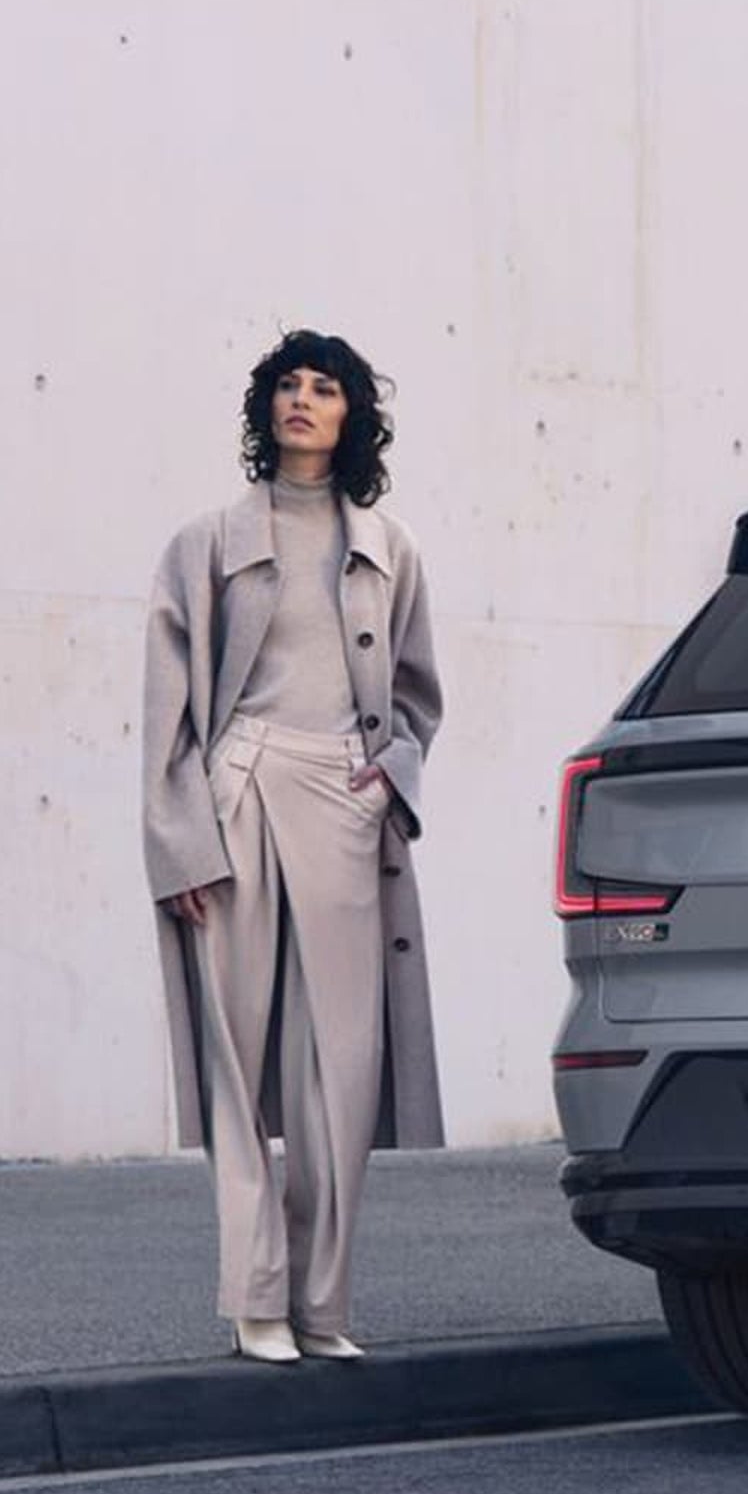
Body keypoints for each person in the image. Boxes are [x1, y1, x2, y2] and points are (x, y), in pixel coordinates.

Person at [140, 330, 445, 1362]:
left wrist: (385, 780)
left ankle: (323, 1305)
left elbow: (416, 698)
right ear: (264, 408)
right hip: (237, 787)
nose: (303, 401)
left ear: (354, 413)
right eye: (288, 386)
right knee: (237, 1055)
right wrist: (182, 842)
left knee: (340, 1066)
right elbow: (168, 713)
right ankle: (255, 1296)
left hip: (341, 795)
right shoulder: (203, 545)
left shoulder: (389, 547)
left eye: (325, 388)